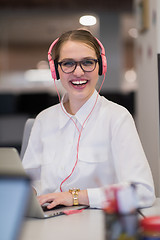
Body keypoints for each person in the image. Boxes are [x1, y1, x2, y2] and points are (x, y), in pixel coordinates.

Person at [22, 29, 155, 210]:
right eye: (68, 63)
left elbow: (142, 191)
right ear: (56, 70)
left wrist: (76, 197)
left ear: (100, 66)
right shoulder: (43, 120)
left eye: (87, 62)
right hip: (47, 223)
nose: (78, 72)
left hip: (98, 224)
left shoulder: (117, 117)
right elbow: (29, 182)